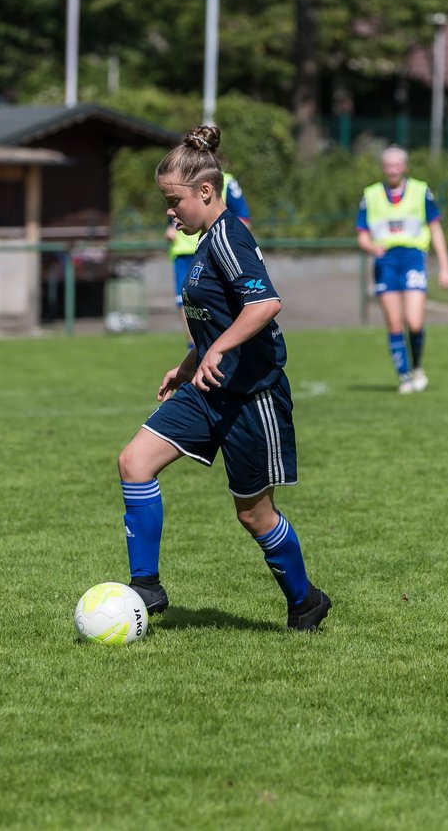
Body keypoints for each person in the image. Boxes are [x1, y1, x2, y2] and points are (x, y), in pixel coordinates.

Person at [118, 125, 331, 632]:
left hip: (251, 398)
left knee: (254, 516)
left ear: (206, 192)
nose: (170, 212)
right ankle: (146, 584)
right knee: (134, 462)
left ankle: (305, 601)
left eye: (174, 202)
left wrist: (215, 349)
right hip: (207, 387)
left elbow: (264, 304)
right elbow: (221, 316)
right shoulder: (205, 242)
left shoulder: (230, 236)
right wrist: (191, 363)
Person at [355, 147, 448, 394]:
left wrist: (444, 266)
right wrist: (371, 247)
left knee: (415, 322)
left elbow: (436, 229)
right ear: (383, 168)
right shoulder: (372, 195)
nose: (392, 169)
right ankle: (405, 377)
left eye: (397, 165)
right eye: (388, 165)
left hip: (412, 259)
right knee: (394, 323)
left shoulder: (421, 191)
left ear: (405, 167)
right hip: (385, 262)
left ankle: (417, 365)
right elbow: (362, 235)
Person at [166, 171, 250, 347]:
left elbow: (243, 216)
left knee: (219, 302)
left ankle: (217, 348)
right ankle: (195, 350)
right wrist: (171, 229)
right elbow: (177, 211)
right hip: (184, 252)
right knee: (186, 303)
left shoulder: (226, 181)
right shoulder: (181, 181)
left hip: (214, 251)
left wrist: (236, 242)